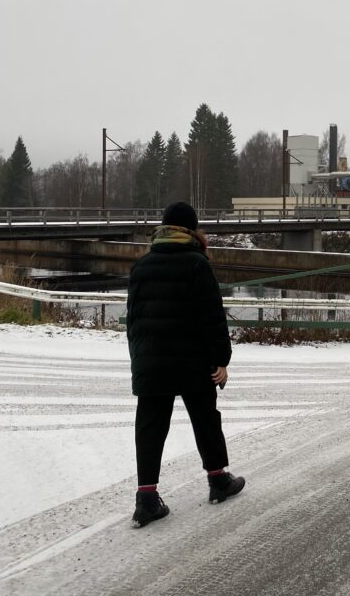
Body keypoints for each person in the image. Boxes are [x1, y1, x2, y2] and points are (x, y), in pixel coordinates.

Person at [126, 201, 245, 528]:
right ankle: (219, 481)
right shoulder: (197, 263)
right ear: (192, 230)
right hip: (193, 360)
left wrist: (140, 360)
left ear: (163, 229)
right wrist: (221, 359)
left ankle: (147, 498)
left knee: (150, 426)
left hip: (151, 360)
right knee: (206, 417)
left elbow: (133, 322)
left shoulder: (142, 266)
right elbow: (212, 317)